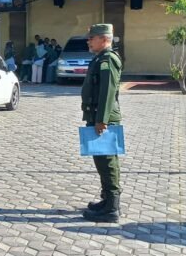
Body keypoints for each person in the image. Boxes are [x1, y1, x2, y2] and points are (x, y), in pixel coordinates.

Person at [81, 24, 123, 223]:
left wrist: (102, 120)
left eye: (92, 37)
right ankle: (106, 200)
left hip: (103, 118)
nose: (89, 41)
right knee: (100, 159)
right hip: (96, 116)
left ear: (104, 39)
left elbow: (107, 91)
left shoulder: (108, 59)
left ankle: (112, 208)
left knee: (107, 161)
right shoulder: (99, 58)